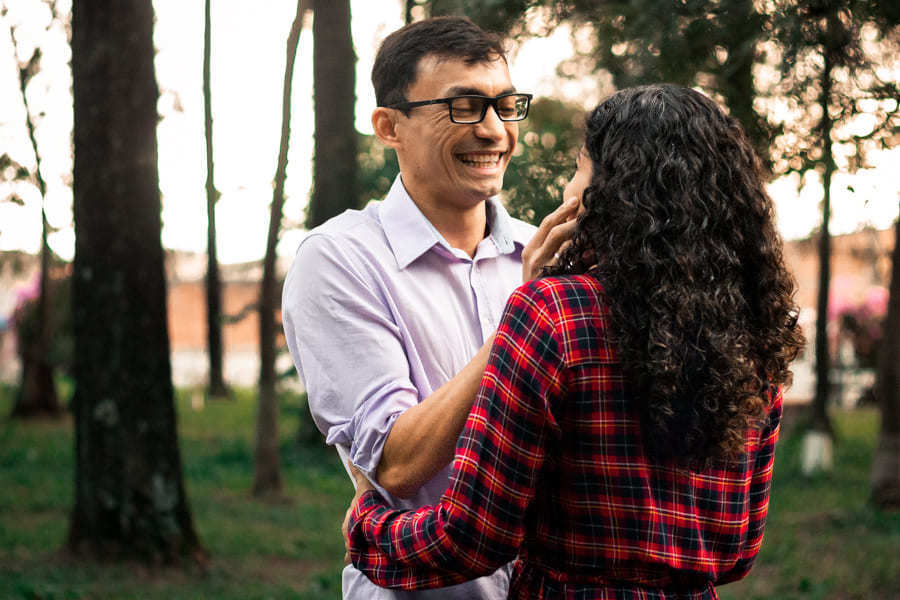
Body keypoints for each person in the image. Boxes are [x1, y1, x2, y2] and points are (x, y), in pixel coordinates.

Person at [344, 84, 806, 599]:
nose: (567, 188)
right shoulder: (753, 329)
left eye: (578, 169)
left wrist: (369, 520)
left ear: (606, 193)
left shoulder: (553, 313)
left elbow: (473, 537)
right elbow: (738, 549)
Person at [282, 16, 577, 600]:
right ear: (390, 126)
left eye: (504, 105)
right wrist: (523, 318)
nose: (494, 131)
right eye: (464, 106)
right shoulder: (340, 260)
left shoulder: (547, 253)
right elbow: (395, 461)